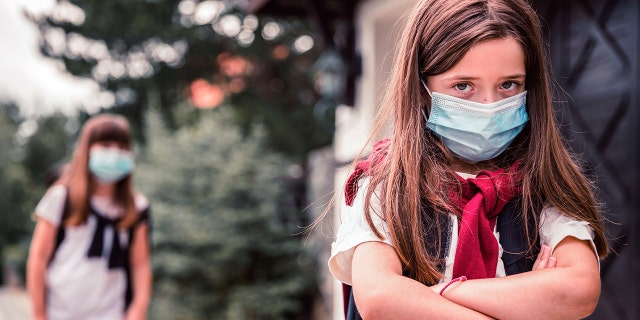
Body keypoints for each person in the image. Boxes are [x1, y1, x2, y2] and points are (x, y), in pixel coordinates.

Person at [328, 0, 609, 319]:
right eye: (463, 86)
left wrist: (439, 294)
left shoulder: (544, 184)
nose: (489, 105)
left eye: (508, 85)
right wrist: (523, 300)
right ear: (421, 87)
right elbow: (380, 298)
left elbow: (578, 289)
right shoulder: (387, 184)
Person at [27, 114, 152, 320]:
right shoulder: (60, 198)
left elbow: (140, 263)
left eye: (122, 147)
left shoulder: (137, 207)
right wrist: (39, 313)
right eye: (105, 145)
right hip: (60, 311)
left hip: (111, 312)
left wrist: (138, 310)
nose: (114, 153)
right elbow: (38, 258)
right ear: (87, 150)